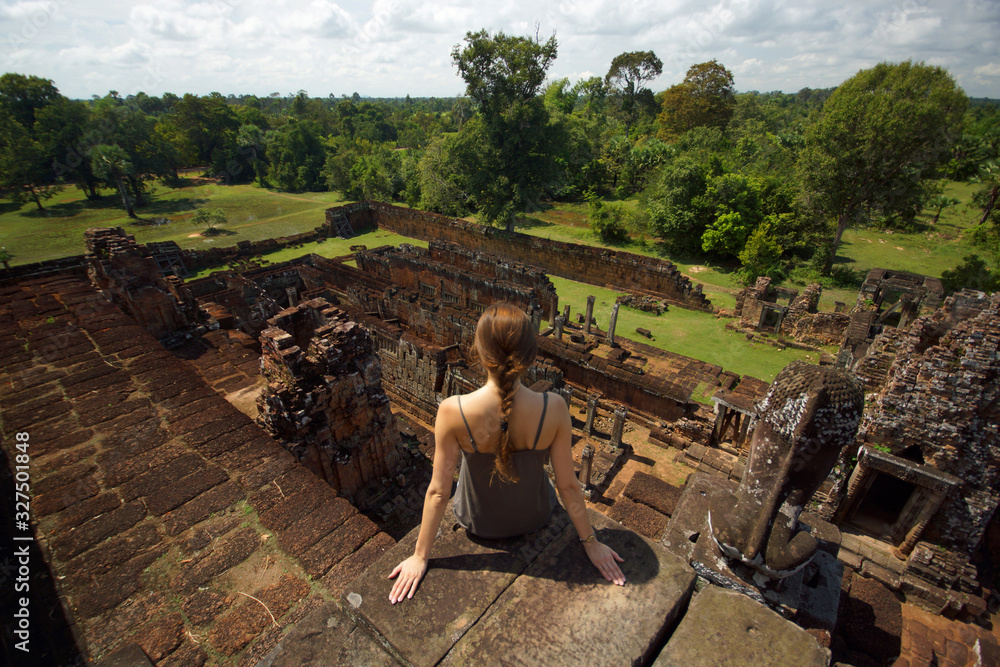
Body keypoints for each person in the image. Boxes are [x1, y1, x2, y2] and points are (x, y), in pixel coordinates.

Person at [388, 302, 626, 604]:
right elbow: (567, 485)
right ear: (530, 355)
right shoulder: (554, 407)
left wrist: (420, 556)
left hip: (477, 523)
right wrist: (591, 543)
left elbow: (438, 491)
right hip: (536, 515)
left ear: (479, 350)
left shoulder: (453, 410)